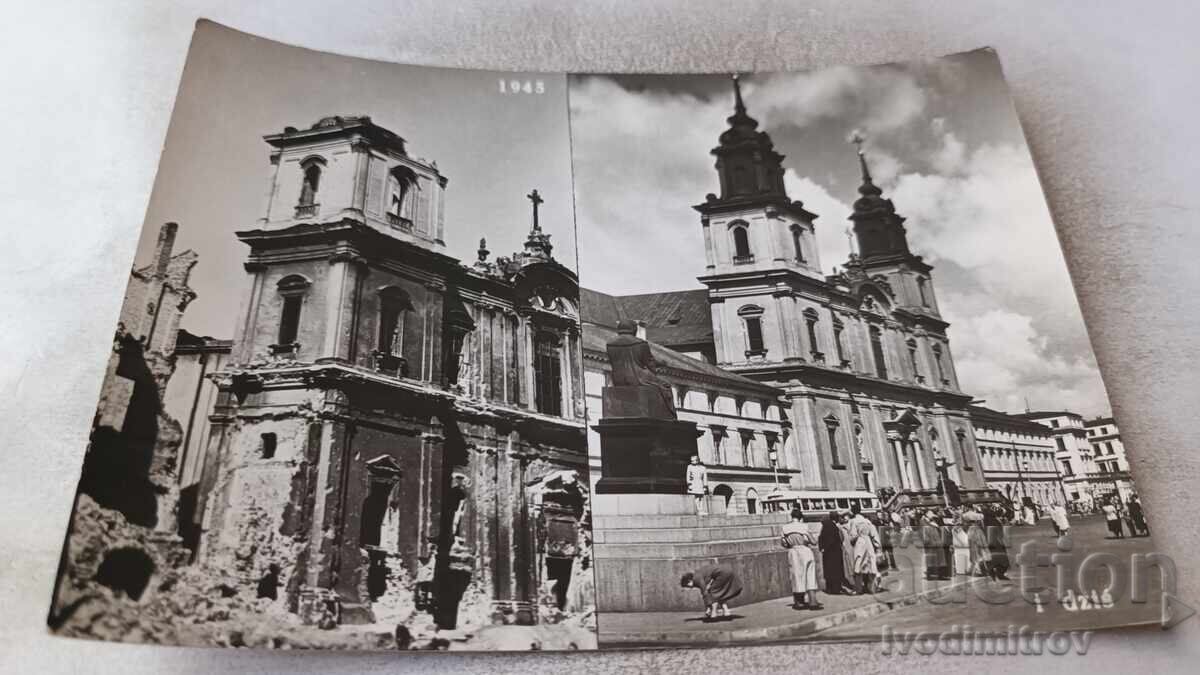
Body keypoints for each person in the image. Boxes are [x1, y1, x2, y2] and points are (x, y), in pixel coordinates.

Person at [781, 509, 823, 610]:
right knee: (810, 575)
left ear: (792, 517)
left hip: (793, 552)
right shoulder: (804, 526)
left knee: (796, 576)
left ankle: (799, 602)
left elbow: (784, 543)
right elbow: (813, 542)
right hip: (805, 551)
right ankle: (813, 601)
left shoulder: (785, 528)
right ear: (800, 517)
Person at [848, 504, 881, 593]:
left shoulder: (853, 521)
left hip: (859, 543)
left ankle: (859, 589)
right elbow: (874, 535)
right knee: (870, 564)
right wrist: (877, 547)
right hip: (868, 542)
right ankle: (872, 587)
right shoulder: (867, 521)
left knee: (858, 564)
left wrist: (852, 541)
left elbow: (853, 535)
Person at [818, 511, 851, 595]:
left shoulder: (825, 526)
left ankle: (829, 588)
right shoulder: (834, 527)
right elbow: (837, 539)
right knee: (836, 571)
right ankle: (836, 589)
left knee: (828, 570)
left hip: (827, 552)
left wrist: (822, 548)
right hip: (835, 551)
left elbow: (820, 537)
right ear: (836, 518)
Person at [921, 510, 950, 580]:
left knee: (938, 559)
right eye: (931, 515)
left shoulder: (931, 522)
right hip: (932, 544)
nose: (932, 517)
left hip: (936, 543)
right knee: (932, 560)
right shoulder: (924, 522)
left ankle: (939, 575)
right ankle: (931, 575)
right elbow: (924, 535)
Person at [983, 506, 1010, 581]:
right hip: (997, 542)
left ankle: (993, 573)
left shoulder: (985, 521)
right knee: (1003, 559)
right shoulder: (994, 521)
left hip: (989, 543)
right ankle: (1000, 574)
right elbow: (999, 532)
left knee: (993, 559)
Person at [837, 510, 860, 593]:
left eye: (845, 516)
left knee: (853, 566)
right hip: (849, 547)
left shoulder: (848, 525)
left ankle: (856, 586)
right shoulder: (841, 526)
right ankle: (856, 585)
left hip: (850, 547)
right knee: (852, 567)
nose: (844, 518)